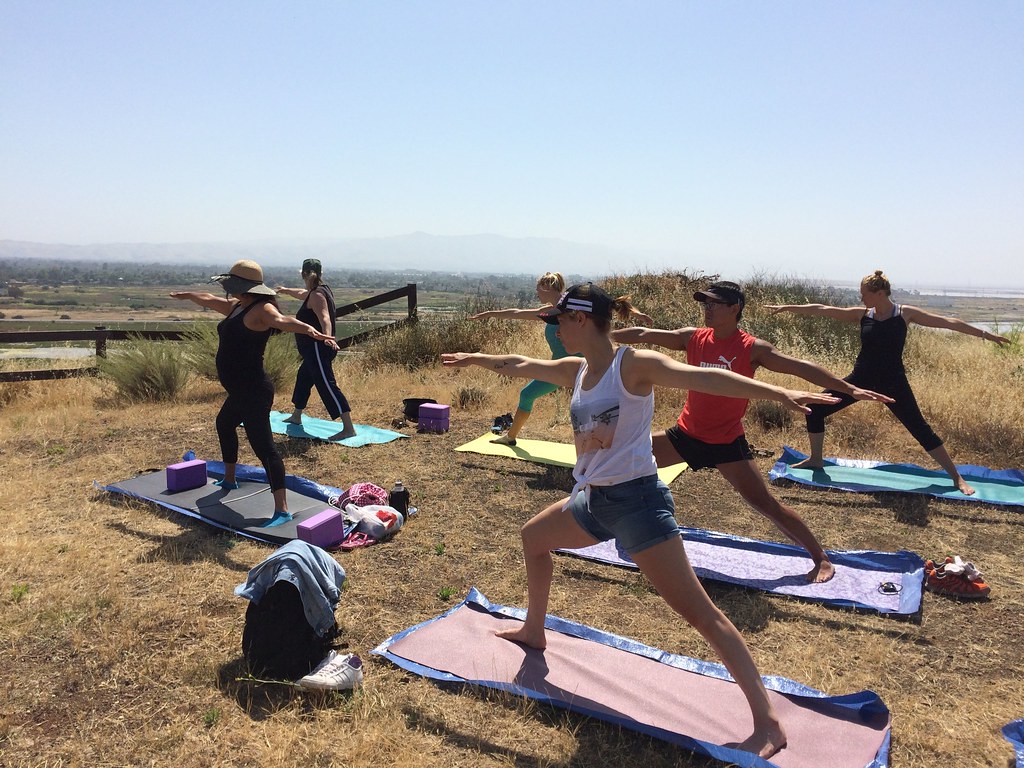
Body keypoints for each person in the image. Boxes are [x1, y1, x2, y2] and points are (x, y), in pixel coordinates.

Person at [443, 282, 843, 759]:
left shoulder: (631, 365)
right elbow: (521, 365)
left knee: (702, 616)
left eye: (560, 321)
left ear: (582, 320)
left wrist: (776, 390)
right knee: (534, 537)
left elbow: (708, 379)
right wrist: (476, 359)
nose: (555, 329)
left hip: (637, 505)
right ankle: (534, 630)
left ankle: (768, 722)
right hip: (594, 501)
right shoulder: (578, 369)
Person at [612, 280, 893, 583]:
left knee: (765, 504)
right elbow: (643, 335)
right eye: (704, 303)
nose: (707, 309)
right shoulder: (693, 338)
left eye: (714, 304)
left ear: (734, 309)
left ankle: (820, 558)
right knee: (619, 461)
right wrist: (600, 338)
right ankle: (621, 526)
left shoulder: (751, 348)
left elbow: (799, 367)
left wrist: (849, 387)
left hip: (726, 443)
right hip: (686, 435)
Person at [766, 270, 1010, 496]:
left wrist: (986, 335)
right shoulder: (863, 315)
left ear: (879, 293)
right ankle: (816, 459)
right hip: (859, 382)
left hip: (893, 383)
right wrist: (788, 307)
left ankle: (956, 477)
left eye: (864, 294)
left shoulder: (905, 313)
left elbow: (949, 323)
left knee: (920, 428)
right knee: (815, 408)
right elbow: (823, 309)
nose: (861, 298)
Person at [171, 260, 339, 527]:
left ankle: (282, 509)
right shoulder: (238, 307)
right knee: (224, 423)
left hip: (254, 391)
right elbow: (209, 298)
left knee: (264, 448)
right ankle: (229, 478)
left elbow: (283, 321)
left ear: (245, 286)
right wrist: (188, 295)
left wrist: (312, 331)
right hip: (239, 390)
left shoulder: (262, 309)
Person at [470, 272, 652, 446]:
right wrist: (490, 314)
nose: (537, 293)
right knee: (527, 395)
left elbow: (607, 305)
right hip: (559, 369)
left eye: (538, 289)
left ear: (547, 287)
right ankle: (511, 437)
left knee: (595, 409)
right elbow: (517, 313)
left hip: (584, 369)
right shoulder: (549, 312)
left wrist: (637, 315)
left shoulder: (574, 309)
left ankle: (615, 447)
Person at [275, 258, 356, 441]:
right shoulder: (317, 291)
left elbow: (325, 318)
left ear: (303, 273)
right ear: (320, 273)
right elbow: (302, 293)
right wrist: (286, 290)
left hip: (319, 348)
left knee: (327, 384)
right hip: (313, 351)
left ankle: (348, 428)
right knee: (303, 378)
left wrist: (327, 337)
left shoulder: (317, 295)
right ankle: (296, 416)